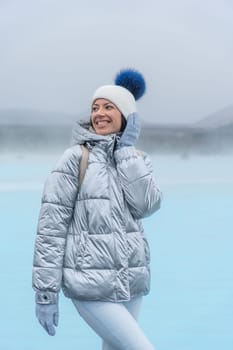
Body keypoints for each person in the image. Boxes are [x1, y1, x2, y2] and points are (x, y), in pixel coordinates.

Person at [32, 68, 162, 350]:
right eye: (95, 107)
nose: (99, 113)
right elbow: (51, 228)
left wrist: (126, 153)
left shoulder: (138, 159)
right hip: (90, 283)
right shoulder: (75, 158)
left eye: (108, 107)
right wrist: (45, 292)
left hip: (130, 281)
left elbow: (147, 206)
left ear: (126, 114)